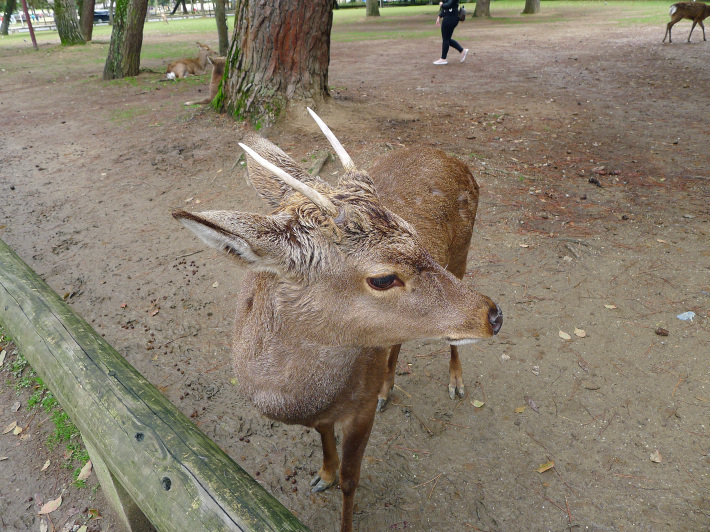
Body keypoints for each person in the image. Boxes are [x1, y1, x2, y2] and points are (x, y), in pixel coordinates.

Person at [434, 0, 468, 65]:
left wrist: (441, 5)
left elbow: (448, 5)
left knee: (446, 39)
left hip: (450, 18)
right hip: (449, 18)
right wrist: (439, 16)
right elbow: (445, 8)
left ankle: (443, 59)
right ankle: (462, 51)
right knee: (447, 39)